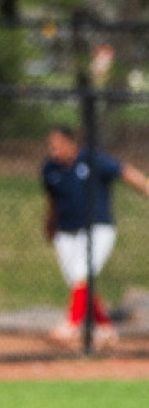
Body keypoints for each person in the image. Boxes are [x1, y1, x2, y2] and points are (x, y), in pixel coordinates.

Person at [40, 124, 149, 347]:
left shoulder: (93, 160)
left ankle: (70, 326)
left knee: (82, 273)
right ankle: (105, 328)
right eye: (50, 147)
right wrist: (50, 224)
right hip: (65, 231)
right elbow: (52, 201)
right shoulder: (49, 169)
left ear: (71, 143)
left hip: (97, 229)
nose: (53, 151)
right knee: (79, 282)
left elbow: (126, 173)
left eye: (57, 146)